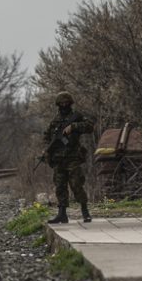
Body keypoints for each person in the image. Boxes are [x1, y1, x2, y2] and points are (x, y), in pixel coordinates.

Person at [42, 91, 95, 224]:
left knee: (77, 184)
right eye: (61, 103)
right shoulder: (55, 120)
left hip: (73, 157)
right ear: (58, 104)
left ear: (70, 103)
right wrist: (47, 149)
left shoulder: (76, 117)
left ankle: (85, 211)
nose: (64, 105)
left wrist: (74, 126)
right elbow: (47, 137)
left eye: (66, 103)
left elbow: (90, 126)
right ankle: (62, 214)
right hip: (59, 159)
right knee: (60, 186)